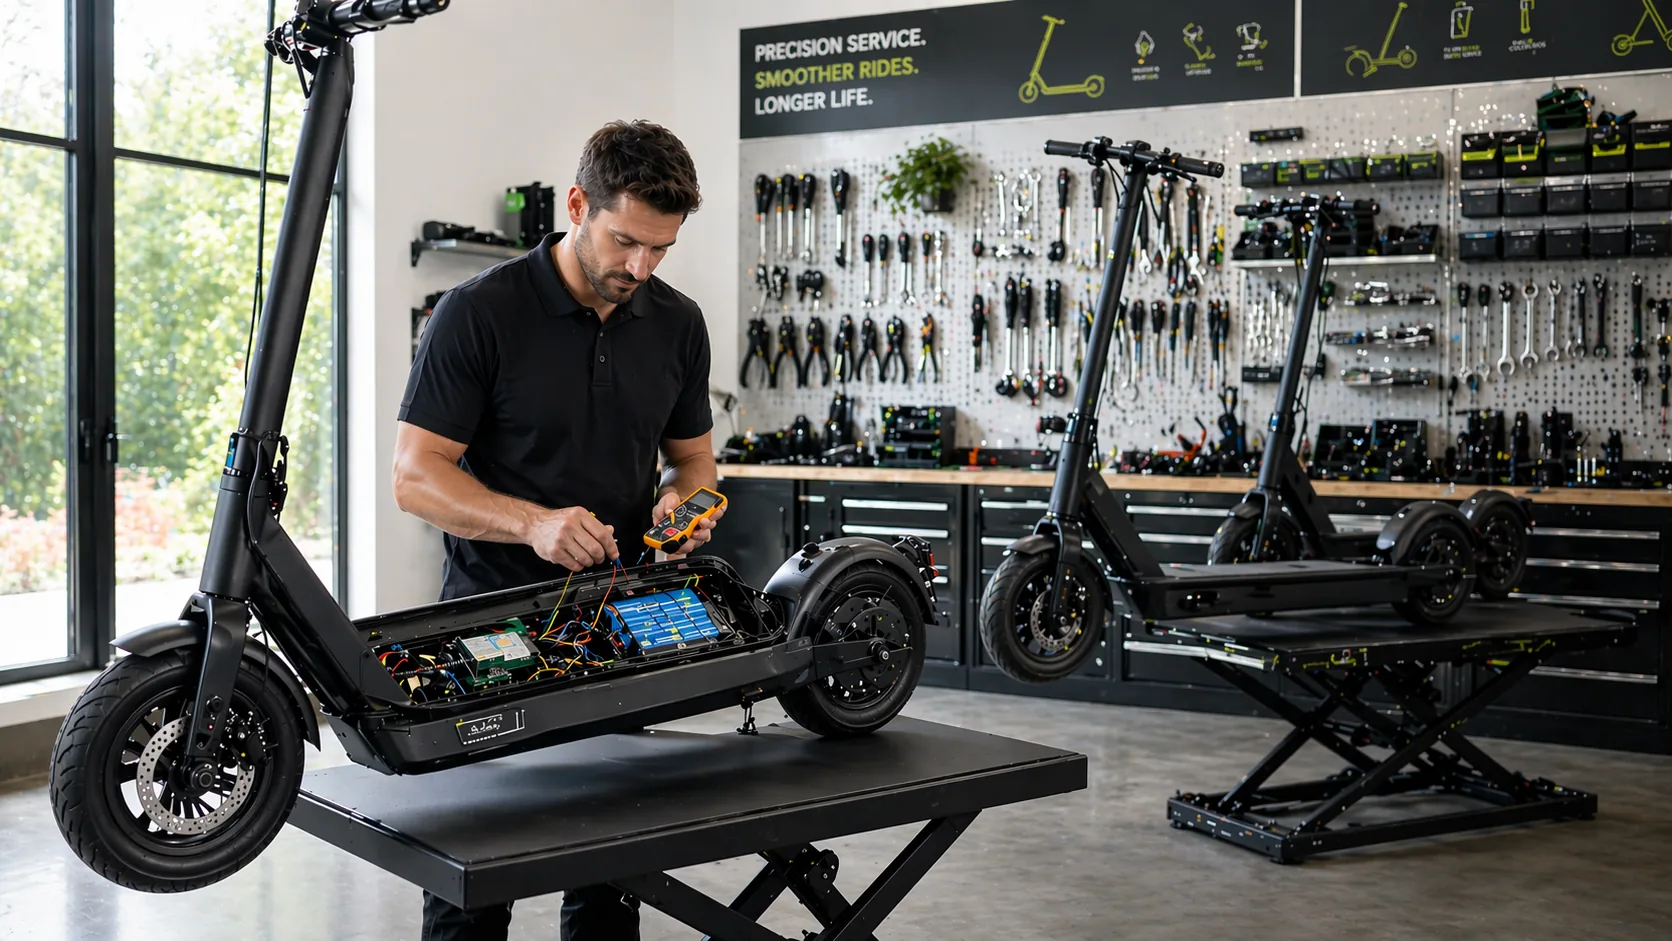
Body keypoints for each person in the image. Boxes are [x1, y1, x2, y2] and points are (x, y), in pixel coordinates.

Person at [391, 119, 718, 941]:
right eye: (625, 242)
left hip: (616, 630)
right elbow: (414, 475)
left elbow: (694, 464)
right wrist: (534, 524)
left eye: (660, 251)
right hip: (488, 634)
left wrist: (688, 507)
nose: (639, 269)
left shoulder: (678, 324)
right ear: (577, 203)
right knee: (474, 888)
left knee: (610, 879)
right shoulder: (477, 313)